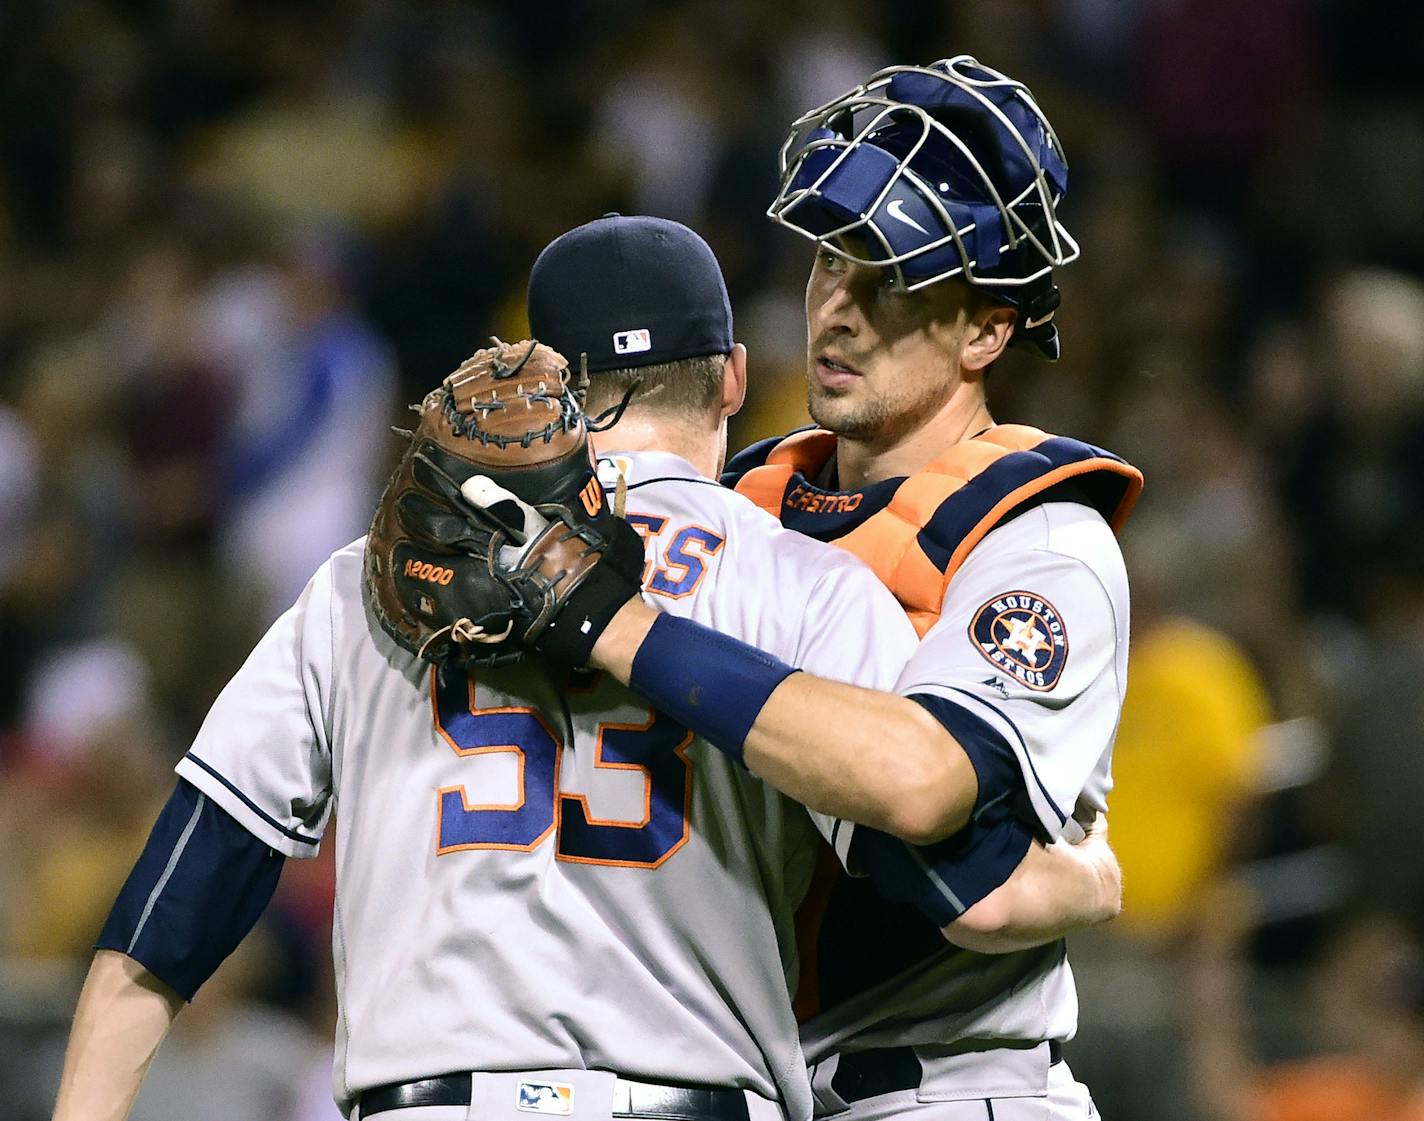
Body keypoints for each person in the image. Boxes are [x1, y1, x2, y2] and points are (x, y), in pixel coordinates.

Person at [48, 218, 1106, 1121]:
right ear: (735, 375)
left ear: (542, 376)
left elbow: (177, 900)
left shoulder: (367, 580)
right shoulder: (804, 586)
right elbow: (959, 883)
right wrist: (1092, 873)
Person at [495, 57, 1141, 1120]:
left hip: (940, 1088)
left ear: (984, 329)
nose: (835, 311)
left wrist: (618, 625)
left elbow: (937, 870)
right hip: (731, 1079)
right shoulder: (742, 494)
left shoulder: (1037, 543)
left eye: (888, 278)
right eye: (829, 263)